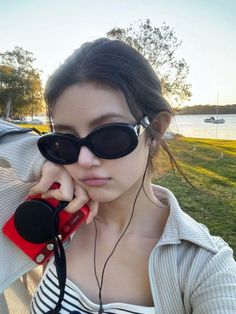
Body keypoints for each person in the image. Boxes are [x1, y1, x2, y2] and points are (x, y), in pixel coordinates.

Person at [0, 38, 236, 314]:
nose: (83, 161)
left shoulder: (205, 265)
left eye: (110, 135)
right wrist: (37, 156)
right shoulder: (46, 203)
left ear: (156, 130)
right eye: (65, 141)